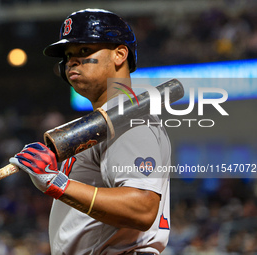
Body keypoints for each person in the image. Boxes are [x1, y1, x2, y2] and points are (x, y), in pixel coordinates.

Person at [10, 9, 171, 255]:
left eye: (85, 51)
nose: (71, 61)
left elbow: (142, 208)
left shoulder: (129, 122)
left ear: (119, 54)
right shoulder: (100, 124)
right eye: (68, 55)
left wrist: (57, 183)